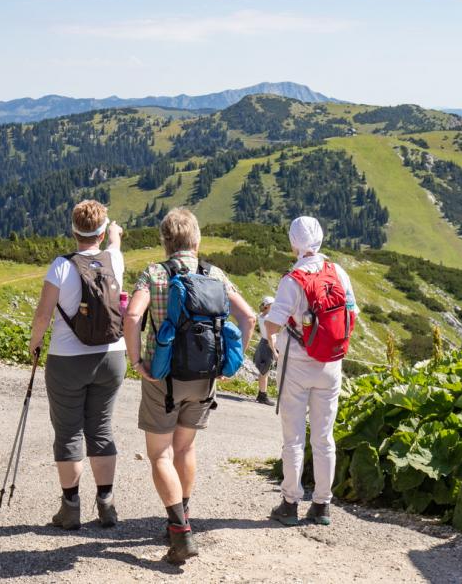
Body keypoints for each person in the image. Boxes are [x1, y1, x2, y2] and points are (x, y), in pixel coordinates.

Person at [123, 208, 256, 564]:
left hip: (163, 377)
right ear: (197, 240)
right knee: (185, 450)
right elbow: (249, 316)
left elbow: (133, 315)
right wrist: (231, 363)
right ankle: (183, 517)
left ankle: (180, 531)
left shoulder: (154, 273)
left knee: (160, 454)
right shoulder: (216, 274)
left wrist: (137, 362)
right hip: (205, 377)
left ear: (165, 241)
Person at [29, 200, 127, 530]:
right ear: (101, 232)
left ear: (73, 231)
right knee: (101, 428)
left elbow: (43, 314)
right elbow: (114, 242)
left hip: (67, 359)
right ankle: (106, 503)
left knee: (69, 431)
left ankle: (70, 508)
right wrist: (114, 233)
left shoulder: (60, 266)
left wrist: (35, 342)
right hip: (112, 356)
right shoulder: (114, 258)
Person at [263, 216, 356, 527]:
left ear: (293, 243)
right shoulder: (338, 272)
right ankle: (322, 506)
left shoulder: (293, 278)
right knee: (324, 437)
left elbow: (274, 322)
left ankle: (290, 503)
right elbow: (351, 313)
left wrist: (269, 334)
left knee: (293, 438)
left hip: (298, 363)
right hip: (331, 363)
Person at [251, 296, 277, 406]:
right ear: (267, 306)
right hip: (268, 345)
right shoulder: (268, 318)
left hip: (263, 343)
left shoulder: (261, 316)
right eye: (272, 305)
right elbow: (270, 337)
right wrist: (275, 352)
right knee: (265, 371)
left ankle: (261, 394)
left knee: (263, 371)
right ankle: (263, 395)